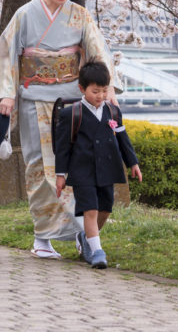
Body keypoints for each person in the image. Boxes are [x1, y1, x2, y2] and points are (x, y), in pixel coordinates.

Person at [0, 0, 122, 260]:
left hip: (72, 103)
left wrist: (108, 87)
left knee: (76, 166)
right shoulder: (25, 15)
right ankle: (43, 237)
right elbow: (7, 54)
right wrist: (7, 94)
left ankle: (83, 233)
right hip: (34, 99)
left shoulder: (79, 16)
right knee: (39, 166)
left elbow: (97, 49)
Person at [54, 62, 142, 269]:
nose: (100, 96)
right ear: (82, 89)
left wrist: (133, 163)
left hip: (107, 169)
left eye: (104, 91)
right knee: (91, 211)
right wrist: (60, 175)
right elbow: (63, 147)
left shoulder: (113, 112)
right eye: (95, 91)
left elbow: (123, 139)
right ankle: (98, 251)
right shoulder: (71, 114)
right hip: (82, 170)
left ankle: (87, 238)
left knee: (105, 210)